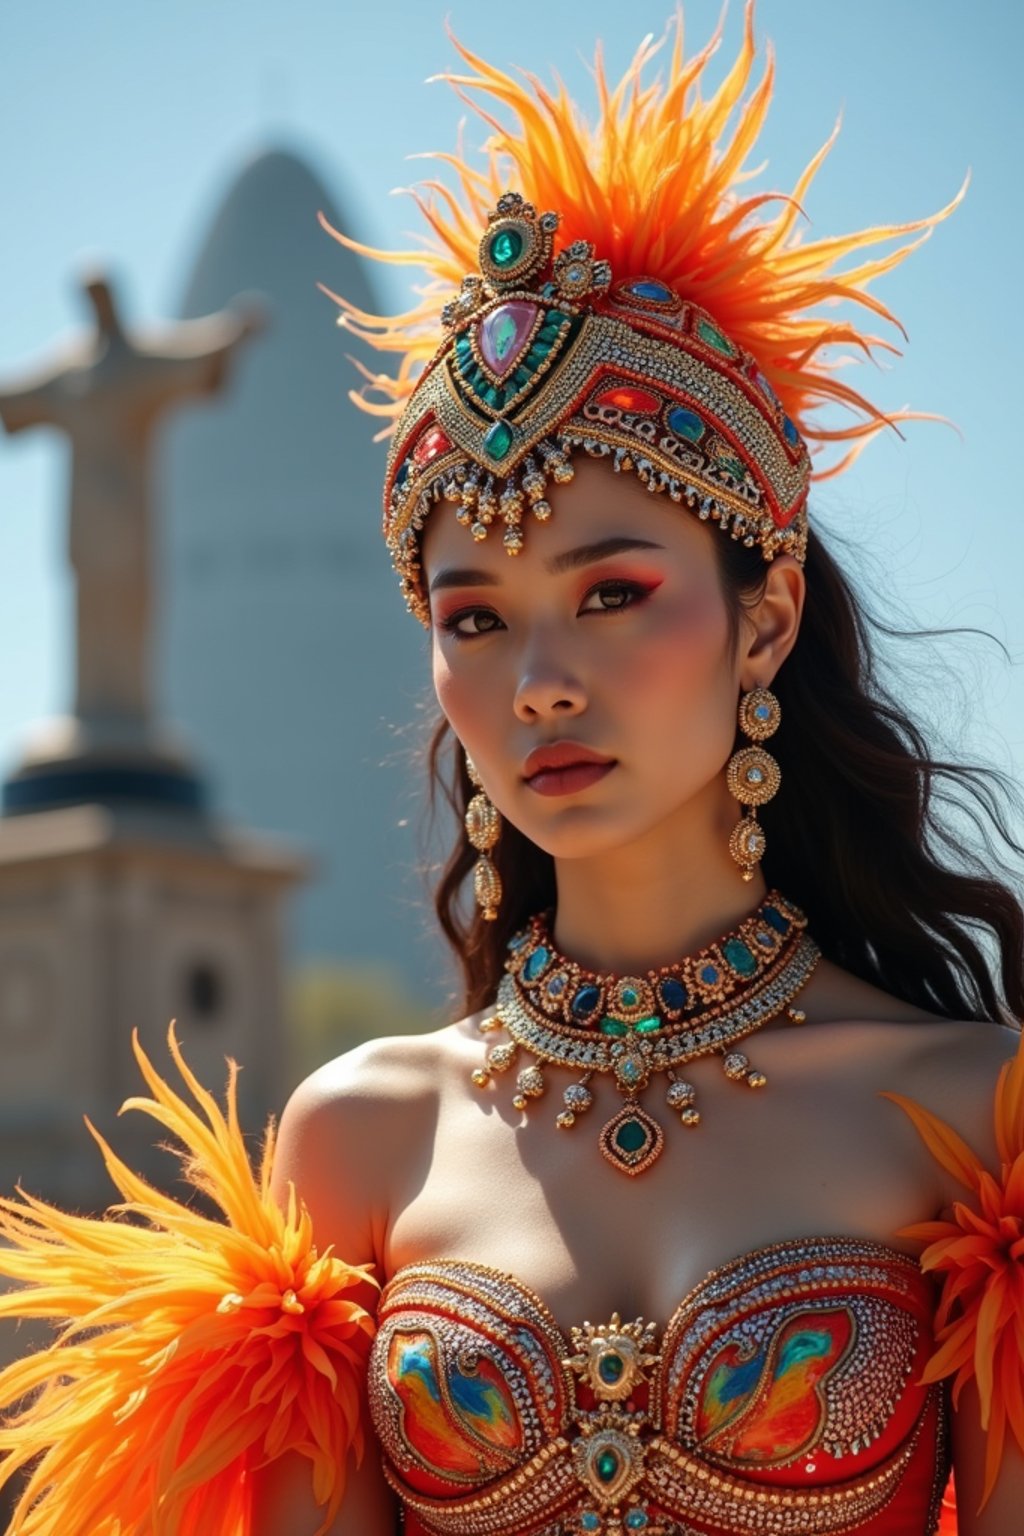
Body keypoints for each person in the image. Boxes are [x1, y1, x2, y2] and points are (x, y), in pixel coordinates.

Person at [1, 7, 1022, 1535]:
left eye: (614, 593)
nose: (541, 679)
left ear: (769, 618)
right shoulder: (356, 1138)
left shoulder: (976, 1117)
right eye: (474, 617)